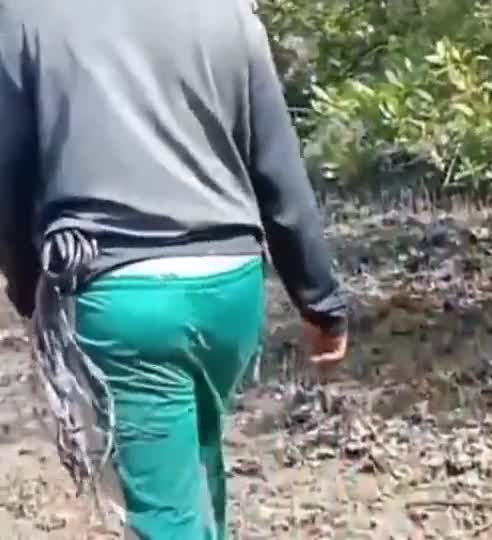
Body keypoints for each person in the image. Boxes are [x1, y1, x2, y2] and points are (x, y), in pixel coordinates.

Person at [0, 1, 349, 538]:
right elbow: (278, 168)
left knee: (165, 515)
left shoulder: (25, 16)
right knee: (196, 468)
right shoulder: (228, 12)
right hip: (230, 290)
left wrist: (27, 291)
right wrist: (321, 303)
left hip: (119, 297)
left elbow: (9, 171)